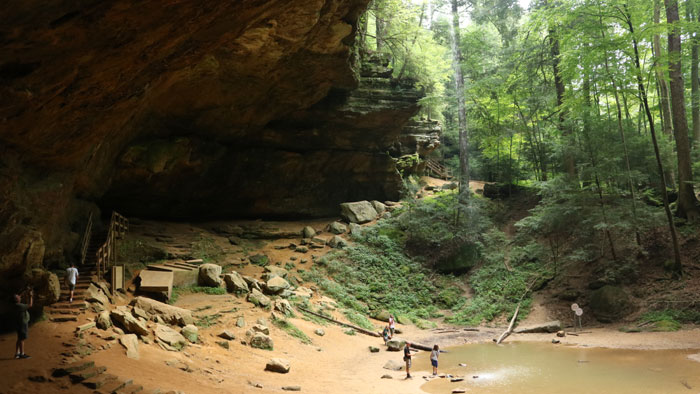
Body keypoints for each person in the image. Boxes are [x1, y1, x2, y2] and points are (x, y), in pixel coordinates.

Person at [14, 288, 33, 359]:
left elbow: (20, 296)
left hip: (18, 323)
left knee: (19, 338)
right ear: (17, 299)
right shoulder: (20, 306)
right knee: (22, 339)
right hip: (23, 323)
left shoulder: (15, 305)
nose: (20, 296)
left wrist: (25, 292)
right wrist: (31, 296)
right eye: (18, 297)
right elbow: (30, 305)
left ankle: (17, 353)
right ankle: (22, 353)